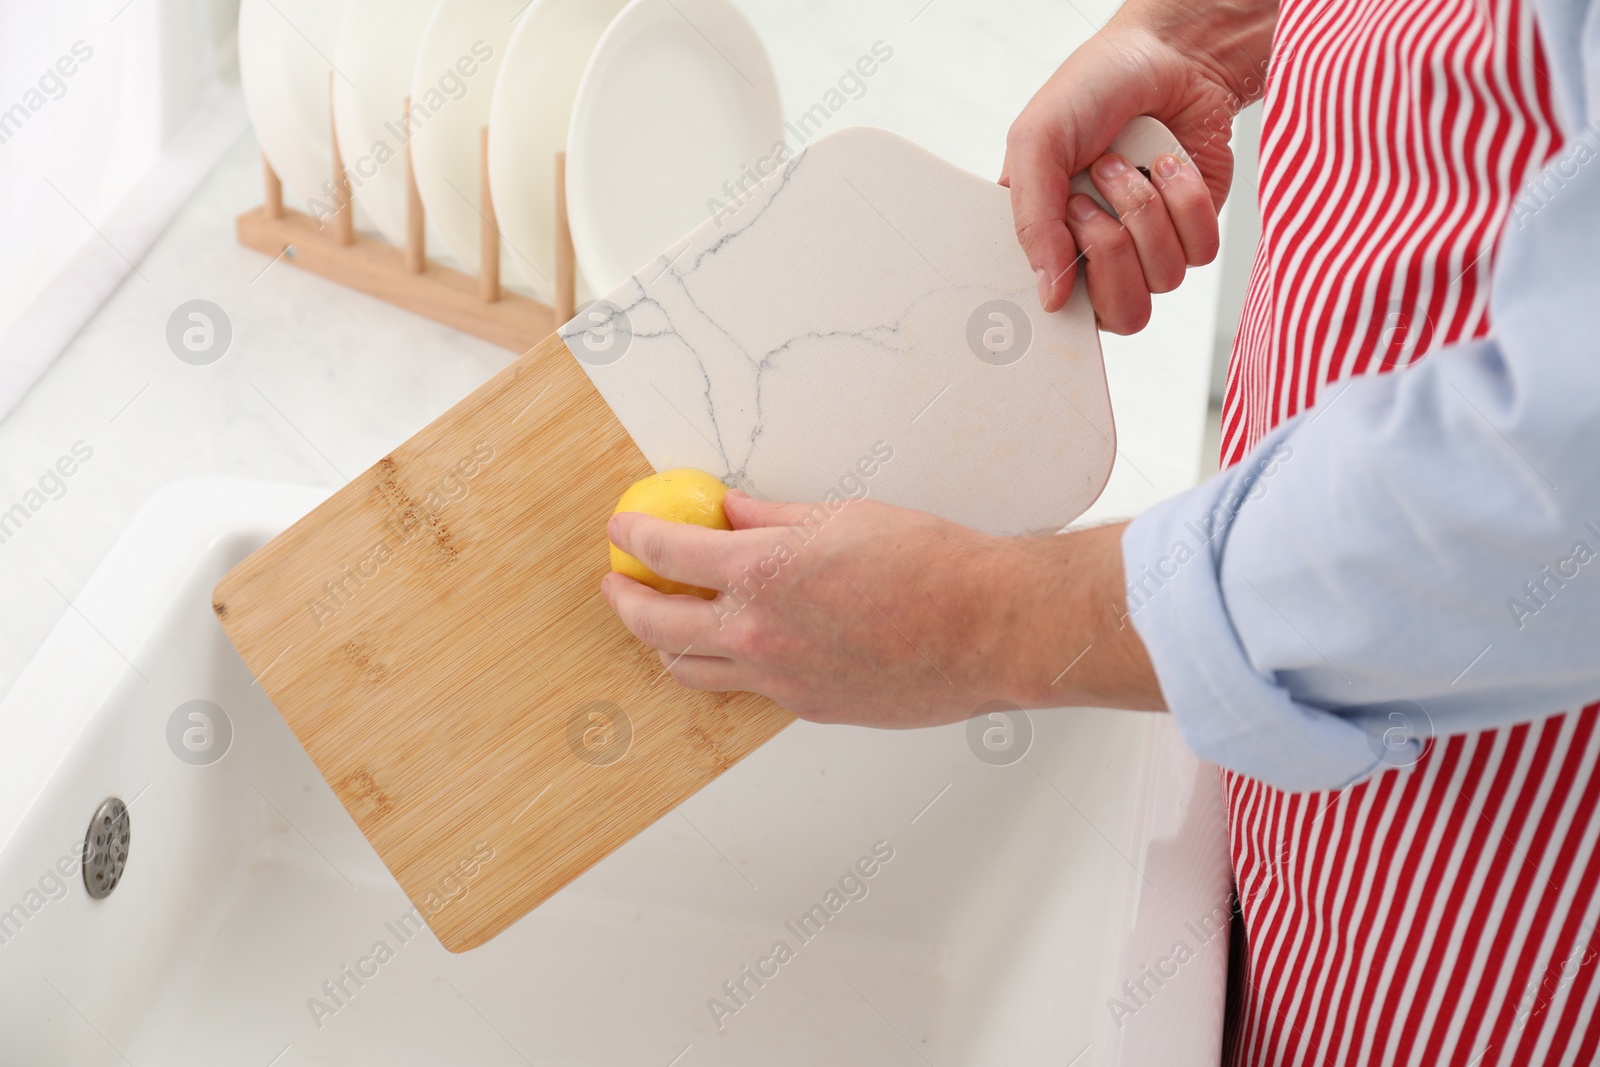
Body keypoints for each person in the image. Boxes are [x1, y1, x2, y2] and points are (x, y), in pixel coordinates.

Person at [601, 0, 1600, 1060]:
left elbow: (1557, 475)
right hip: (1309, 779)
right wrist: (1219, 30)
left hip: (1498, 878)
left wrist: (973, 620)